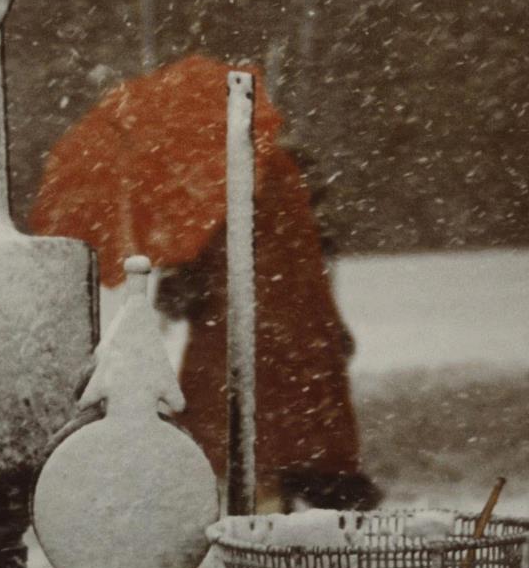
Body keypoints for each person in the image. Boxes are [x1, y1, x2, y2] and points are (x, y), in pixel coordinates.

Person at [157, 144, 381, 511]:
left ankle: (267, 526)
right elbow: (311, 259)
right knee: (288, 443)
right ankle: (293, 519)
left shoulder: (207, 184)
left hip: (234, 339)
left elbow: (188, 285)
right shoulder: (285, 175)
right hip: (293, 334)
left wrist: (175, 274)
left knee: (253, 451)